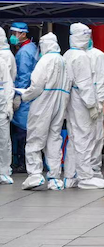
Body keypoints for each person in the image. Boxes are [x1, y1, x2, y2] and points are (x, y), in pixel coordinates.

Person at [18, 33, 70, 191]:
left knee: (35, 138)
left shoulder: (45, 60)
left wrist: (24, 96)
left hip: (43, 103)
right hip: (59, 103)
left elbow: (36, 86)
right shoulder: (63, 60)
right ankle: (55, 177)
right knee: (54, 139)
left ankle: (35, 175)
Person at [64, 23, 104, 189]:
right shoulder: (81, 57)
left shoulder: (68, 54)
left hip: (72, 101)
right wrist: (92, 105)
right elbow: (85, 84)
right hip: (81, 102)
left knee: (74, 139)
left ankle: (70, 175)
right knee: (84, 139)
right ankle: (85, 177)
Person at [10, 22, 38, 173]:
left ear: (23, 33)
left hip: (24, 94)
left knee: (22, 130)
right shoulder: (30, 47)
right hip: (31, 94)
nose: (12, 36)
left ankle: (23, 163)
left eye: (15, 33)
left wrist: (18, 95)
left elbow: (23, 76)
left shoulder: (24, 52)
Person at [89, 37, 104, 180]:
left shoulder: (98, 55)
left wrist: (100, 101)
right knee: (81, 137)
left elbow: (102, 79)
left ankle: (94, 167)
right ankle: (83, 167)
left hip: (95, 100)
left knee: (96, 134)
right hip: (79, 102)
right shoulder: (73, 55)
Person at [0, 53, 14, 184]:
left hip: (1, 107)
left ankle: (3, 171)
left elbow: (8, 85)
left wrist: (9, 104)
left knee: (3, 140)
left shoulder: (1, 62)